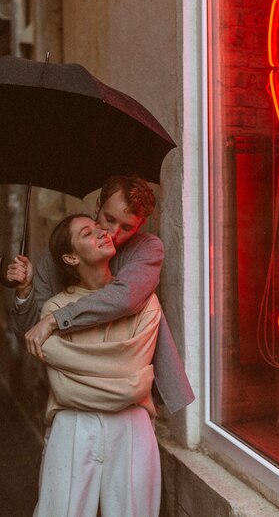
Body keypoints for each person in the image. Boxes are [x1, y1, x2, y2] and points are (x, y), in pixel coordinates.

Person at [8, 175, 194, 414]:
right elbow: (33, 335)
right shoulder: (55, 260)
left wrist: (55, 319)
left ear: (141, 224)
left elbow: (124, 298)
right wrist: (24, 291)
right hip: (74, 398)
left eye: (127, 227)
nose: (114, 233)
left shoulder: (147, 249)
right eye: (109, 219)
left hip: (128, 395)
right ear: (98, 206)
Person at [33, 213, 161, 517]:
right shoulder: (54, 309)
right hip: (72, 424)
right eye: (87, 233)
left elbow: (136, 378)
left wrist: (76, 369)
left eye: (98, 227)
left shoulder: (145, 302)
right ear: (70, 257)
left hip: (132, 424)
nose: (103, 233)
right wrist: (120, 380)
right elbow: (63, 390)